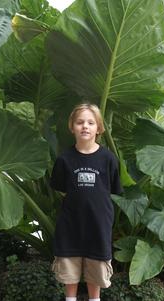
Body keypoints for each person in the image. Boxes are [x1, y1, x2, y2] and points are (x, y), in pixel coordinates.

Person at [50, 103, 123, 301]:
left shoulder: (108, 159)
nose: (85, 126)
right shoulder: (64, 159)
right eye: (80, 122)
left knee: (95, 268)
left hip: (98, 225)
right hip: (71, 225)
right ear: (71, 126)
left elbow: (113, 189)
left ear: (99, 128)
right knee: (70, 269)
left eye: (91, 123)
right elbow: (61, 189)